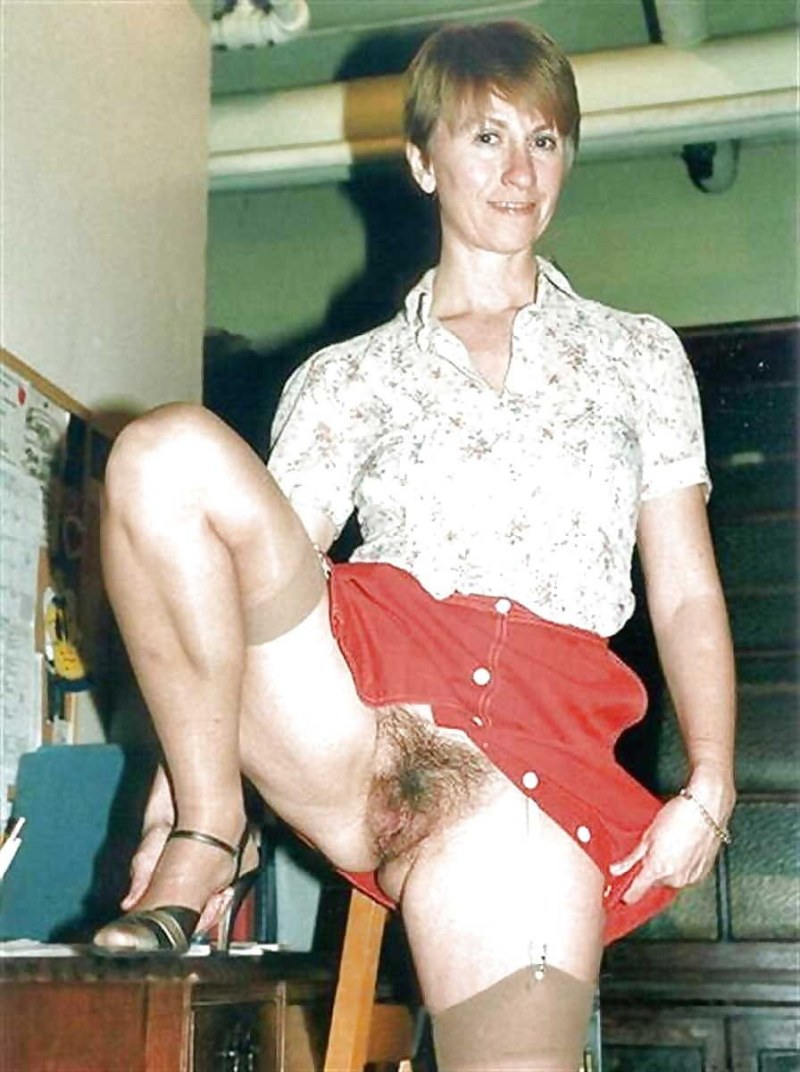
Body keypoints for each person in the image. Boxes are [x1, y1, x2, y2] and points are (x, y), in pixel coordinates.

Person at [92, 20, 736, 1071]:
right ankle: (212, 834)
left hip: (522, 784)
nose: (519, 171)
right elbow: (233, 595)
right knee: (163, 455)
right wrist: (176, 794)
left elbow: (684, 594)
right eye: (486, 138)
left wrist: (708, 785)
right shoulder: (345, 378)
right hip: (343, 720)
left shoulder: (638, 357)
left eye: (543, 140)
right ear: (422, 161)